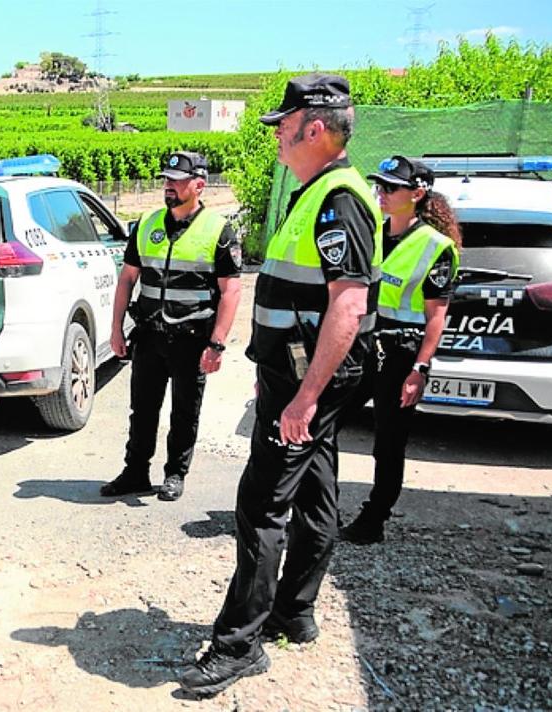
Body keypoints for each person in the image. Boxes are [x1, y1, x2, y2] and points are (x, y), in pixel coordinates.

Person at [180, 74, 382, 696]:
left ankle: (239, 643)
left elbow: (348, 308)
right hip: (300, 375)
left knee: (262, 502)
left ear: (314, 129)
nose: (276, 140)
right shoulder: (319, 189)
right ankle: (295, 611)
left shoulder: (338, 199)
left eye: (284, 128)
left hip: (303, 379)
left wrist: (305, 396)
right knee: (318, 485)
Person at [101, 151, 242, 502]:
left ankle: (175, 474)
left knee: (184, 411)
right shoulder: (147, 224)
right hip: (149, 335)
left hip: (192, 339)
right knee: (142, 410)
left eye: (177, 181)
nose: (169, 186)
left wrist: (218, 343)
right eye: (166, 179)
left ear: (199, 185)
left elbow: (231, 291)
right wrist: (116, 329)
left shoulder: (218, 231)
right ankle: (135, 472)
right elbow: (126, 280)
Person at [339, 156, 460, 544]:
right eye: (380, 186)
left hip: (400, 353)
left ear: (418, 193)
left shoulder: (435, 246)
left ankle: (374, 518)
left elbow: (436, 316)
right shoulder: (372, 232)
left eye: (391, 188)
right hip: (361, 347)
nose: (382, 194)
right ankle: (320, 506)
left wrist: (420, 369)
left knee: (387, 443)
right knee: (326, 423)